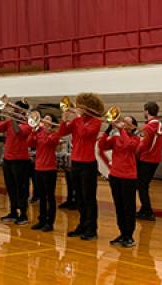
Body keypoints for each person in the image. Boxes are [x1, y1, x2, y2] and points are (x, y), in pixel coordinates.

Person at [59, 93, 103, 241]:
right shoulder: (79, 121)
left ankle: (92, 228)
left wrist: (76, 118)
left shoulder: (96, 122)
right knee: (79, 197)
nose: (77, 108)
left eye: (80, 106)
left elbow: (84, 133)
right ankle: (82, 225)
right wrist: (64, 120)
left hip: (88, 164)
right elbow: (61, 132)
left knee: (88, 197)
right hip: (76, 163)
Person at [99, 116, 141, 248]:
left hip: (128, 177)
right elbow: (102, 146)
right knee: (119, 207)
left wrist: (121, 130)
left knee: (129, 207)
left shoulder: (136, 139)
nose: (123, 123)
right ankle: (122, 233)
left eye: (127, 122)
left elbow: (129, 145)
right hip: (115, 176)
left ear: (132, 126)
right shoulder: (116, 138)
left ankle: (129, 235)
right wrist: (108, 129)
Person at [0, 100, 33, 225]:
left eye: (17, 109)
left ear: (23, 111)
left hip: (21, 160)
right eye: (15, 108)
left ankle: (23, 214)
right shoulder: (8, 121)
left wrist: (12, 118)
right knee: (10, 187)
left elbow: (19, 132)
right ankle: (13, 212)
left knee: (21, 188)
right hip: (8, 159)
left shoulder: (29, 123)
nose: (15, 111)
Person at [28, 115, 61, 232]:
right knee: (41, 197)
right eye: (44, 118)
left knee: (50, 197)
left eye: (48, 119)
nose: (44, 120)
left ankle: (50, 222)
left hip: (50, 169)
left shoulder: (54, 133)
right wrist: (33, 131)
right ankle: (41, 220)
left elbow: (49, 142)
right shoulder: (38, 132)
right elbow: (30, 143)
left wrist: (45, 130)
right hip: (38, 168)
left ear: (52, 123)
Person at [136, 102, 162, 221]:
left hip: (146, 159)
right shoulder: (159, 125)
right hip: (156, 159)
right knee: (144, 185)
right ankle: (144, 209)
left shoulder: (148, 127)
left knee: (141, 186)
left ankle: (147, 211)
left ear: (147, 111)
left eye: (144, 110)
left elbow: (143, 145)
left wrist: (135, 152)